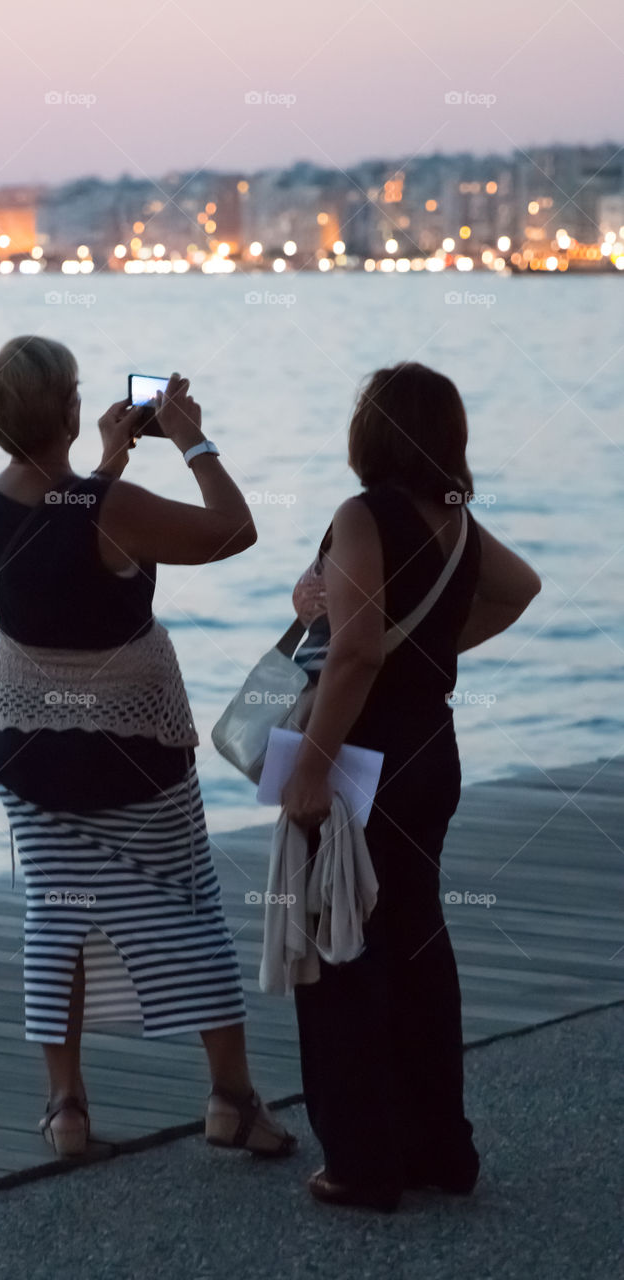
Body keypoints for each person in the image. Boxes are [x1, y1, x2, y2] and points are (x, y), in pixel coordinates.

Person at [0, 335, 295, 1159]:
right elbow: (233, 531)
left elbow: (55, 534)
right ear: (70, 409)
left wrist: (106, 460)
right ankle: (230, 1101)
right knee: (185, 911)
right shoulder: (111, 507)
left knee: (54, 918)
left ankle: (65, 1109)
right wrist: (191, 438)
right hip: (131, 750)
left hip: (27, 748)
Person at [282, 362, 541, 1211]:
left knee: (343, 950)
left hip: (363, 759)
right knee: (420, 942)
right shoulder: (454, 518)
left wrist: (311, 766)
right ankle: (440, 1150)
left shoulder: (363, 514)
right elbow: (519, 591)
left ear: (371, 433)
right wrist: (429, 649)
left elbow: (351, 653)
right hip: (433, 751)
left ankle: (361, 1163)